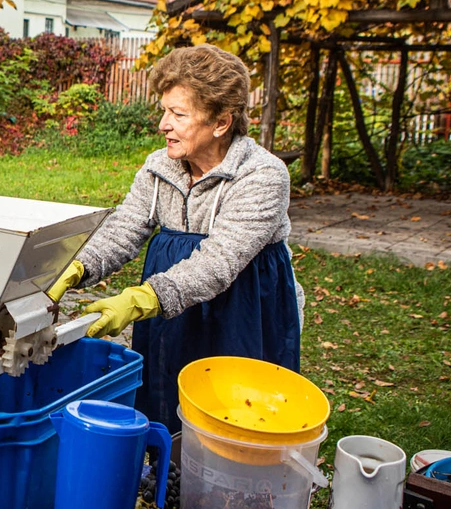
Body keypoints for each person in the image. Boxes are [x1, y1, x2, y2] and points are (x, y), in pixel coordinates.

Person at [48, 44, 303, 433]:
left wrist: (142, 299)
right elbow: (125, 227)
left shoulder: (262, 175)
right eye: (164, 111)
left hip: (243, 308)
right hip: (172, 307)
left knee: (235, 410)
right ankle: (166, 458)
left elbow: (218, 262)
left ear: (221, 122)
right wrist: (77, 267)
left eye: (178, 114)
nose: (162, 125)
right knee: (167, 392)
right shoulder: (159, 167)